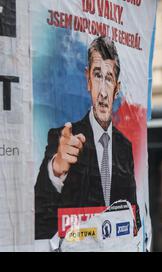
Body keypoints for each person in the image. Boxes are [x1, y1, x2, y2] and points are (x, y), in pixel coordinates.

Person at [35, 36, 140, 240]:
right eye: (97, 75)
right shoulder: (61, 138)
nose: (102, 92)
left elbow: (132, 214)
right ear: (88, 80)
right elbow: (39, 215)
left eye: (109, 79)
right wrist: (56, 169)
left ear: (117, 88)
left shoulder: (125, 147)